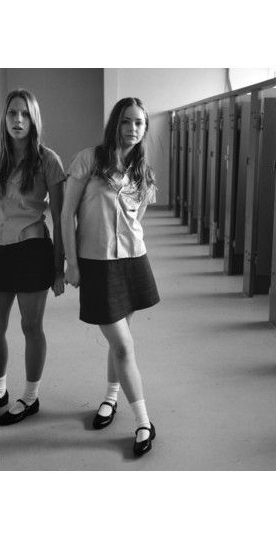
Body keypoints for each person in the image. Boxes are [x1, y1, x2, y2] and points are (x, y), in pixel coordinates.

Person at [61, 97, 160, 457]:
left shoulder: (142, 170)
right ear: (115, 124)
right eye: (126, 122)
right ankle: (145, 421)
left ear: (145, 128)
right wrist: (71, 262)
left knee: (121, 344)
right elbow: (66, 213)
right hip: (97, 263)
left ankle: (111, 397)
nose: (133, 129)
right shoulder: (89, 159)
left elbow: (136, 219)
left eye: (139, 123)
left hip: (132, 261)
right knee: (123, 344)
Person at [0, 89, 65, 425]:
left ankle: (30, 396)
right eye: (12, 113)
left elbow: (59, 216)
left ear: (33, 119)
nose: (18, 120)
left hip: (32, 251)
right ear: (4, 118)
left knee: (31, 326)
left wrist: (59, 269)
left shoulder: (48, 160)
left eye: (24, 114)